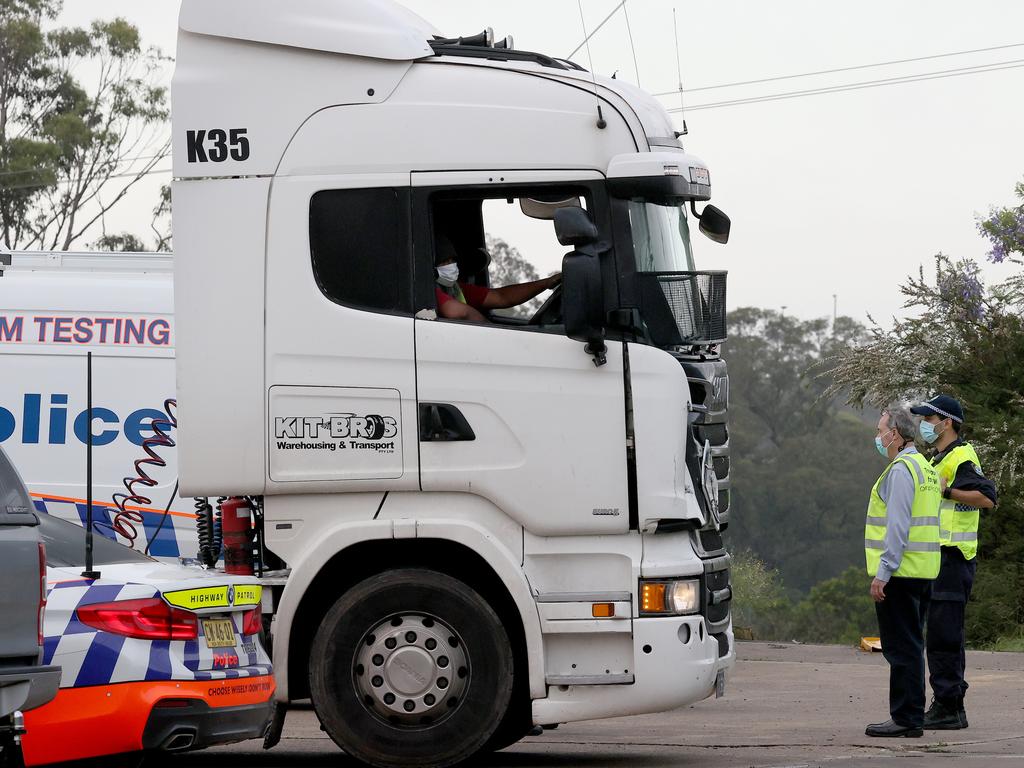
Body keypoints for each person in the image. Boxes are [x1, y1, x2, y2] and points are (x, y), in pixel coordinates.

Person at [910, 395, 997, 730]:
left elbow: (988, 498)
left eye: (929, 420)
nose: (924, 425)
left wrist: (948, 492)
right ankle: (949, 704)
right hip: (939, 557)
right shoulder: (939, 457)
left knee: (944, 636)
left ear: (946, 423)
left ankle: (948, 706)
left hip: (953, 557)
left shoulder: (961, 455)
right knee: (943, 635)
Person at [864, 406, 941, 738]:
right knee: (912, 645)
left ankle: (907, 717)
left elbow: (897, 528)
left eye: (881, 429)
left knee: (902, 648)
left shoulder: (900, 470)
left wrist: (883, 572)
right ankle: (911, 716)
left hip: (901, 574)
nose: (879, 436)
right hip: (922, 571)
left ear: (895, 434)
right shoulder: (924, 467)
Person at [434, 237, 560, 323]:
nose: (450, 265)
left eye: (452, 260)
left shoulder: (455, 289)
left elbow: (501, 297)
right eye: (444, 262)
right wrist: (490, 329)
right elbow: (458, 312)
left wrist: (546, 283)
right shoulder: (429, 289)